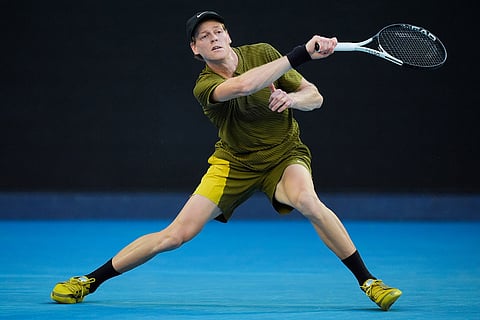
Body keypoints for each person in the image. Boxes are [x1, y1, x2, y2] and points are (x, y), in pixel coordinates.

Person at [51, 11, 402, 311]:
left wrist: (293, 100)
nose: (214, 37)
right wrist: (300, 54)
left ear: (229, 36)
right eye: (204, 36)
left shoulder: (263, 52)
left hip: (284, 154)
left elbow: (316, 97)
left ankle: (369, 282)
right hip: (233, 164)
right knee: (174, 236)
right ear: (195, 49)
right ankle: (89, 280)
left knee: (308, 201)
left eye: (219, 31)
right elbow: (243, 87)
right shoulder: (204, 85)